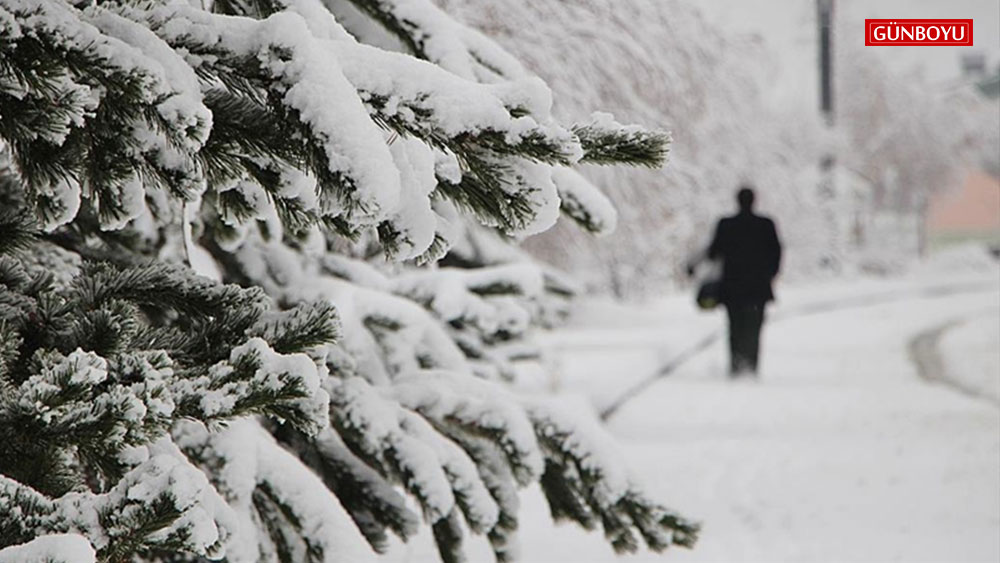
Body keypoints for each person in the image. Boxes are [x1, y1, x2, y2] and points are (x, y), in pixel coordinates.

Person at [698, 186, 782, 376]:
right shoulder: (766, 224)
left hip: (732, 287)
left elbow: (713, 252)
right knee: (754, 328)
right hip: (758, 288)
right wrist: (769, 274)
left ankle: (736, 365)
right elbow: (776, 253)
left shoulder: (726, 224)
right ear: (754, 200)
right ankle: (751, 366)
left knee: (735, 327)